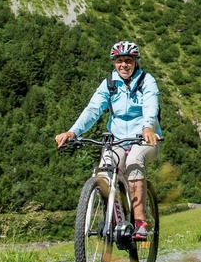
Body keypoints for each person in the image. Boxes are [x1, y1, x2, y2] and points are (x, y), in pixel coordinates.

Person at [55, 40, 161, 240]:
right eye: (120, 61)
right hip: (117, 139)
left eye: (128, 60)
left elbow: (151, 106)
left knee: (134, 162)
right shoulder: (110, 84)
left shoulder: (147, 81)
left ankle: (139, 222)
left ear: (135, 62)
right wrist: (72, 132)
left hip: (145, 138)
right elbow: (93, 110)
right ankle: (114, 215)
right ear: (114, 63)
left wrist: (148, 127)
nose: (124, 65)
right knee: (105, 169)